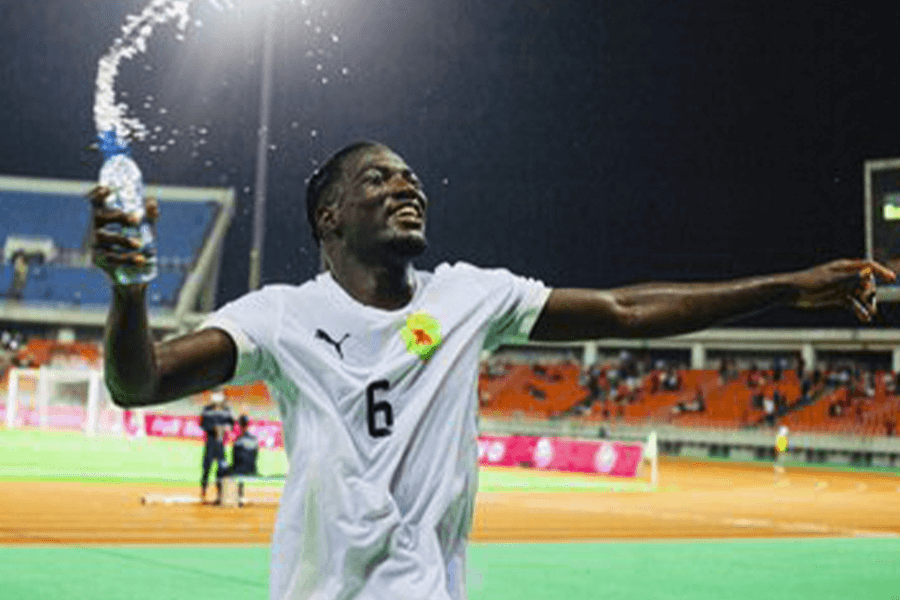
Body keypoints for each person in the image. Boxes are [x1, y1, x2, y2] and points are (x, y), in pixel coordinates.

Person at [89, 140, 893, 600]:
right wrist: (129, 289)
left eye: (411, 177)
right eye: (378, 178)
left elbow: (625, 310)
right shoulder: (281, 315)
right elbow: (140, 383)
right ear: (328, 217)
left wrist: (789, 287)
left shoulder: (472, 296)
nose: (407, 186)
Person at [199, 390, 235, 504]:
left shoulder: (226, 411)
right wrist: (213, 428)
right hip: (210, 443)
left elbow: (232, 423)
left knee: (221, 469)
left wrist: (226, 427)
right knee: (206, 468)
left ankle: (220, 494)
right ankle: (203, 492)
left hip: (220, 444)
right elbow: (202, 424)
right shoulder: (207, 410)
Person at [227, 414, 260, 507]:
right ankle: (240, 497)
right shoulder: (254, 439)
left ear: (240, 425)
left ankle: (232, 497)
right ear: (248, 425)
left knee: (223, 470)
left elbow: (234, 458)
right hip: (252, 469)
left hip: (241, 470)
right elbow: (256, 455)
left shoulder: (238, 440)